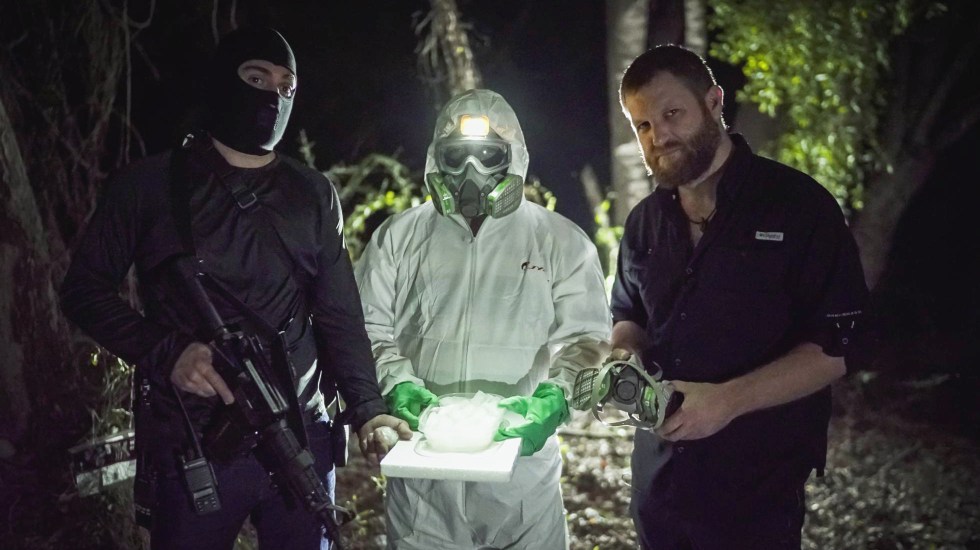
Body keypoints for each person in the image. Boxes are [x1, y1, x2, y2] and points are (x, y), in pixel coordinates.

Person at [59, 26, 409, 550]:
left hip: (302, 433)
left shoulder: (314, 193)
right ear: (226, 81)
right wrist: (166, 350)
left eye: (286, 85)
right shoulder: (151, 186)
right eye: (256, 77)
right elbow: (83, 291)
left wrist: (369, 408)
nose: (273, 94)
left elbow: (338, 315)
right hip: (195, 438)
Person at [609, 44, 869, 549]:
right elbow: (629, 313)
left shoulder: (798, 206)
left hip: (756, 494)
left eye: (671, 113)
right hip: (656, 489)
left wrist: (726, 401)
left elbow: (841, 344)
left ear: (713, 102)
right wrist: (623, 355)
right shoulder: (643, 222)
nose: (658, 136)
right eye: (641, 125)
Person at [354, 88, 611, 549]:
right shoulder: (398, 237)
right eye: (457, 156)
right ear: (437, 158)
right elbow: (364, 328)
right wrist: (396, 382)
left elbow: (587, 337)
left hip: (521, 475)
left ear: (514, 157)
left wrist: (556, 397)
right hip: (422, 471)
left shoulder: (560, 241)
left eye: (489, 154)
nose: (472, 171)